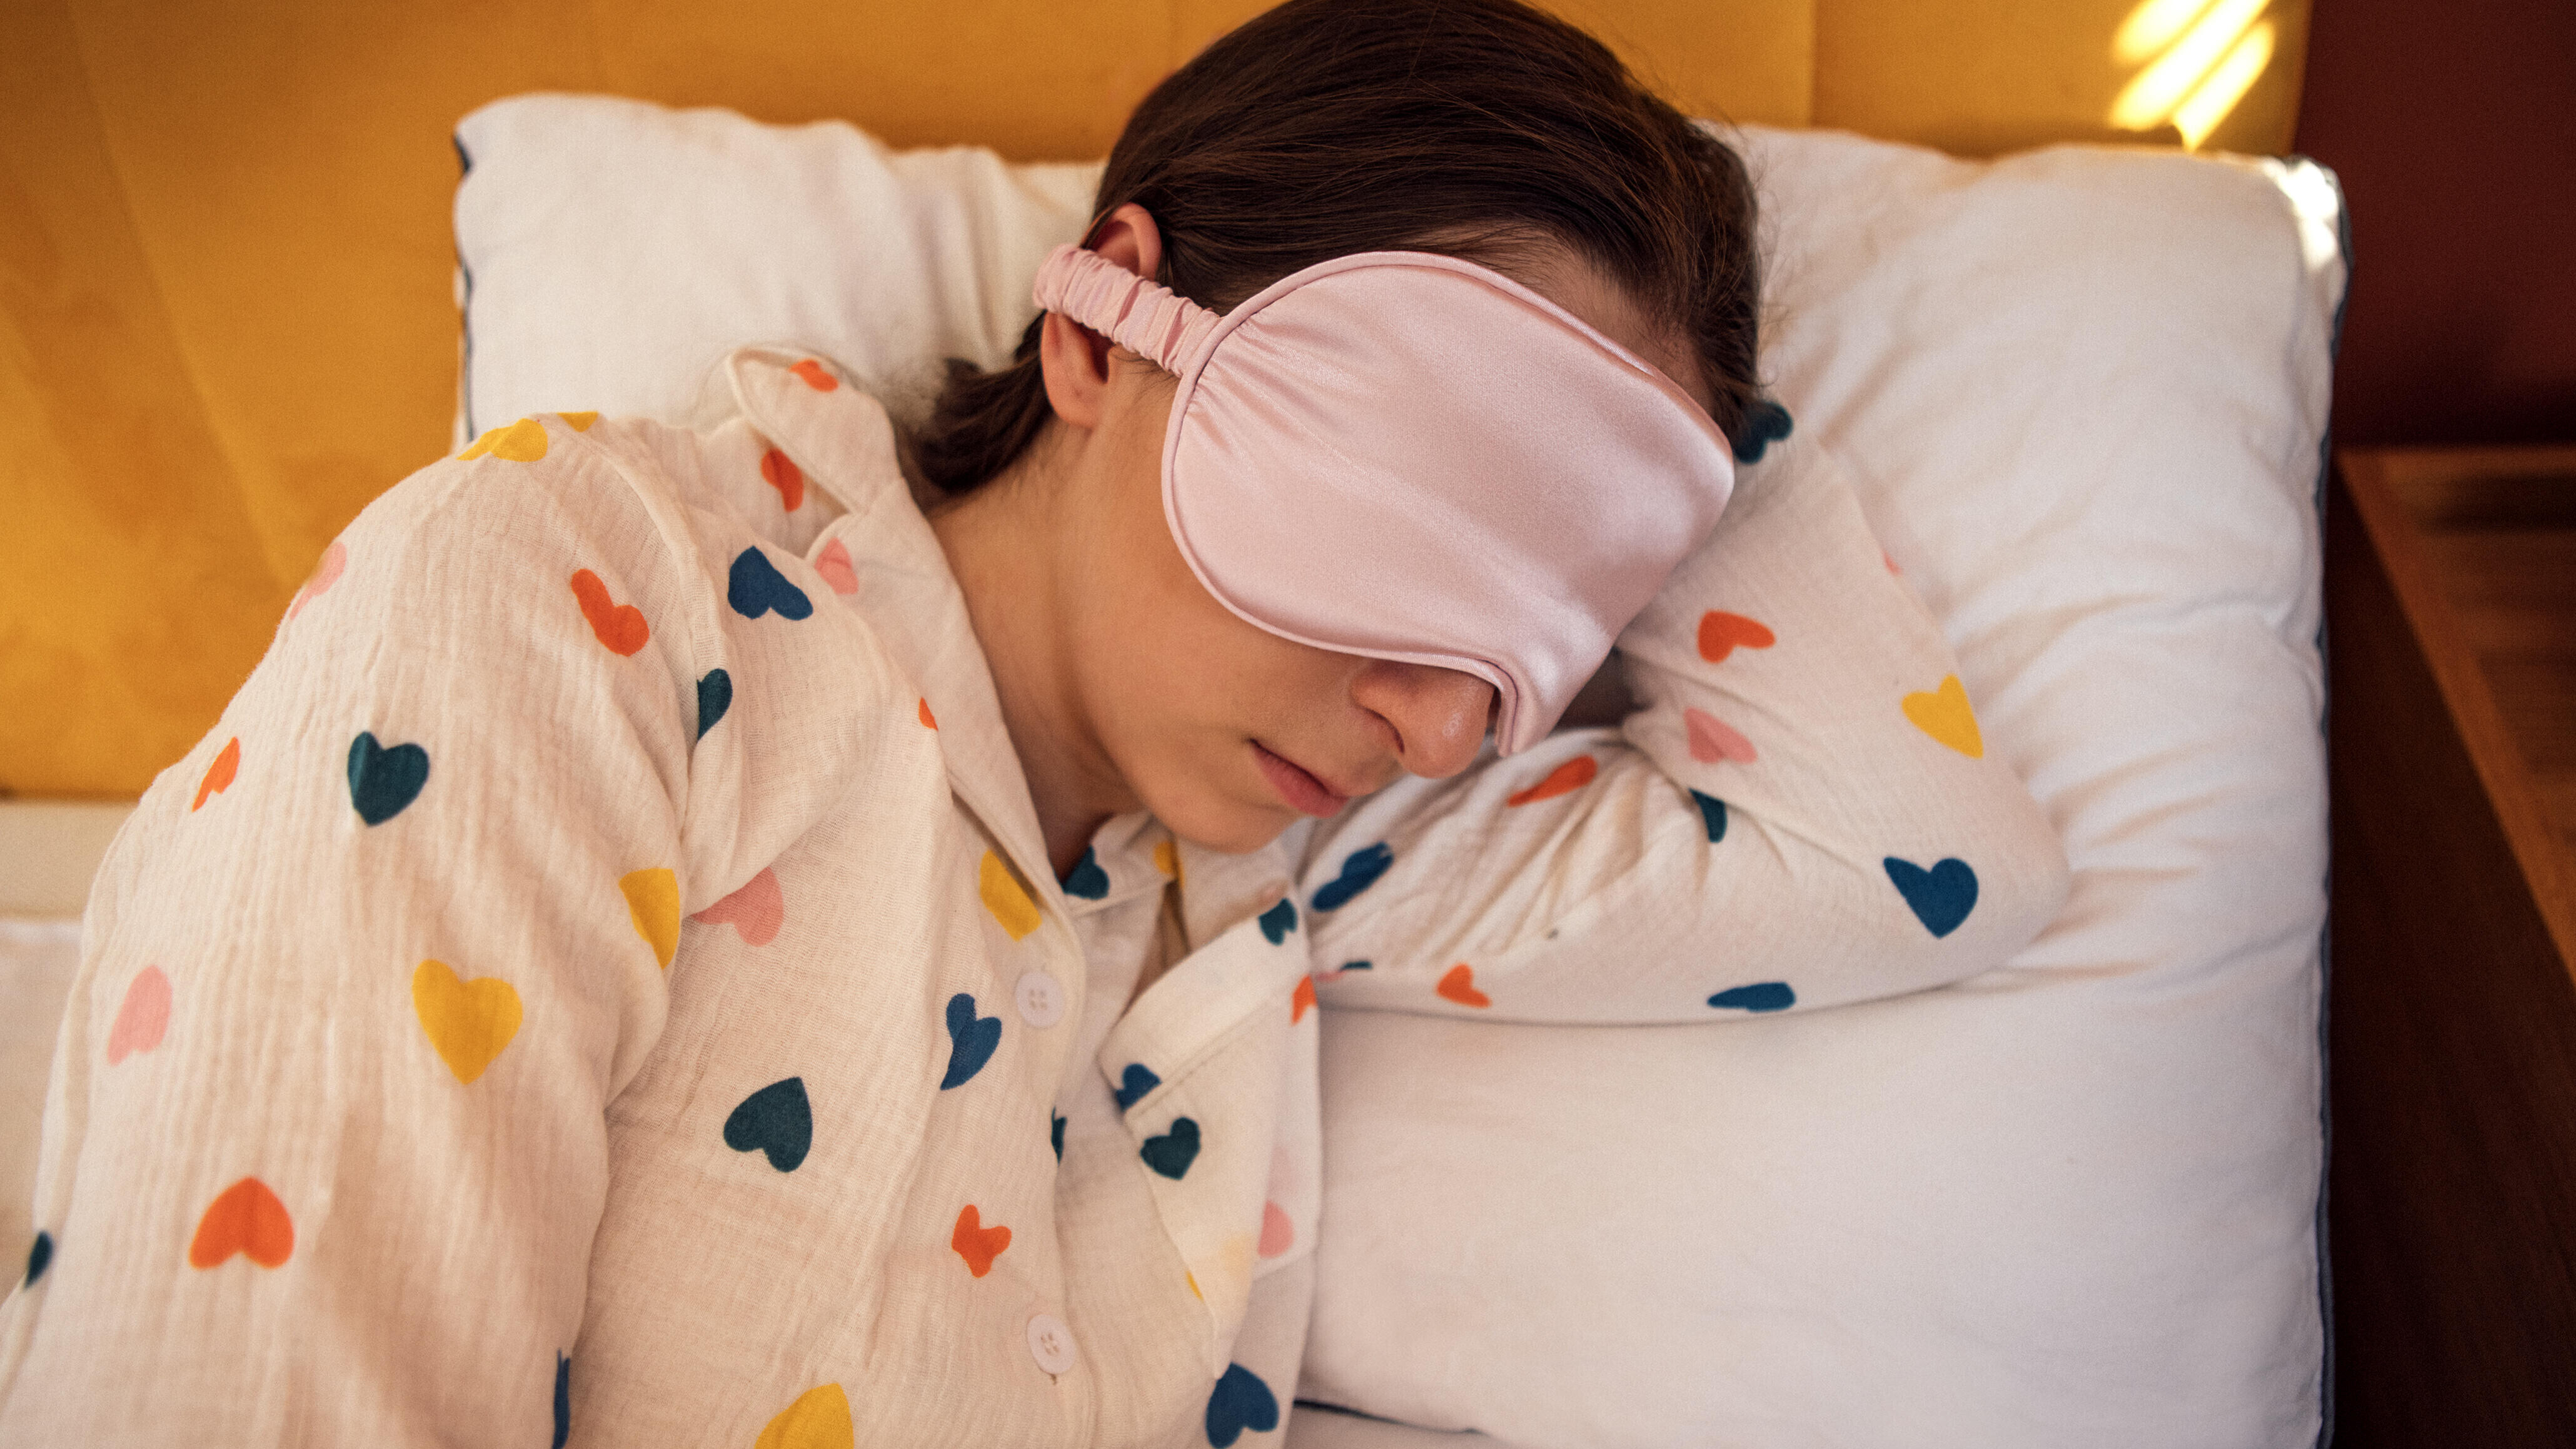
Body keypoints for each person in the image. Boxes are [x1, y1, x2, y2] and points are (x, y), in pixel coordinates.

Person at [0, 0, 2068, 1443]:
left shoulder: (1300, 859)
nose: (1453, 723)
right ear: (1098, 326)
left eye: (1550, 625)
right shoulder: (577, 604)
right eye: (1426, 526)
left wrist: (1689, 433)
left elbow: (1914, 856)